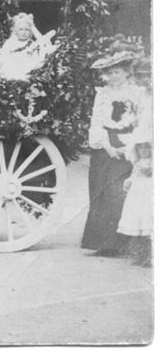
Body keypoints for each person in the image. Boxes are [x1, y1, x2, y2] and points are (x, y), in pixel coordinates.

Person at [81, 48, 150, 257]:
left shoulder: (136, 93)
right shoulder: (102, 94)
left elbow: (140, 120)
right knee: (102, 190)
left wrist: (130, 144)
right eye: (110, 73)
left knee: (120, 192)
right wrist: (106, 145)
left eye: (117, 72)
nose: (113, 77)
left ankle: (122, 242)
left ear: (126, 73)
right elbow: (97, 121)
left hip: (128, 141)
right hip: (106, 144)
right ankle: (103, 243)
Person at [0, 13, 56, 79]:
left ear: (30, 32)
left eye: (27, 30)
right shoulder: (10, 42)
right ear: (16, 31)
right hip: (11, 66)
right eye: (21, 29)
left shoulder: (32, 44)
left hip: (26, 67)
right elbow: (4, 54)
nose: (24, 32)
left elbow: (35, 57)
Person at [119, 140, 152, 267]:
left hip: (149, 192)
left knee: (147, 222)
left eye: (146, 148)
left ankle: (149, 256)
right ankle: (139, 255)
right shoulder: (137, 162)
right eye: (140, 148)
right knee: (137, 221)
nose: (144, 151)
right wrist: (129, 181)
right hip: (137, 193)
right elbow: (134, 175)